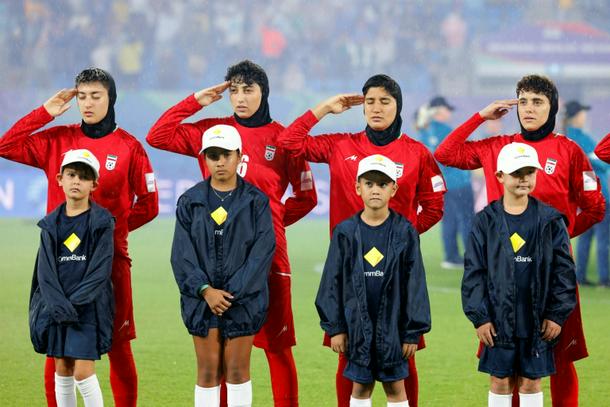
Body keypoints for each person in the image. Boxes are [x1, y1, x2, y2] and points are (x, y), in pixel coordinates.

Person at [147, 60, 316, 407]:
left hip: (268, 258)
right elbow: (157, 136)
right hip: (216, 258)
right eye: (234, 90)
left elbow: (307, 197)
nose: (240, 98)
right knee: (222, 349)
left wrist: (266, 226)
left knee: (277, 348)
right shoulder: (212, 133)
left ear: (263, 92)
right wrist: (196, 101)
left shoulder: (283, 139)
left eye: (248, 90)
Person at [434, 74, 605, 407]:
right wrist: (480, 117)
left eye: (537, 102)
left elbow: (595, 207)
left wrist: (557, 240)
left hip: (553, 274)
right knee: (506, 364)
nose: (528, 108)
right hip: (502, 273)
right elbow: (445, 153)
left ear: (552, 107)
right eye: (523, 101)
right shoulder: (497, 147)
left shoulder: (569, 150)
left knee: (561, 357)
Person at [279, 74, 445, 407]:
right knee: (348, 357)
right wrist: (324, 109)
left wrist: (400, 241)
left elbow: (435, 205)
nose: (376, 108)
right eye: (370, 101)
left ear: (398, 106)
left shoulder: (416, 153)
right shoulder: (340, 145)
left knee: (404, 358)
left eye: (385, 101)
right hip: (348, 270)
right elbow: (288, 143)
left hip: (396, 273)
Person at [0, 68, 159, 407]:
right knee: (56, 344)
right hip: (59, 263)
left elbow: (149, 205)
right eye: (82, 96)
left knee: (118, 345)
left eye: (95, 96)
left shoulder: (129, 147)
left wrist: (107, 235)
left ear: (110, 99)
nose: (87, 103)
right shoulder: (57, 140)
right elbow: (6, 146)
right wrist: (44, 113)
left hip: (111, 262)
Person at [463, 142, 577, 407]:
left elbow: (564, 273)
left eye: (529, 172)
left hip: (538, 319)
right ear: (500, 176)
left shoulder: (551, 220)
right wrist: (480, 317)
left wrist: (556, 314)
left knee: (531, 382)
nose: (524, 178)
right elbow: (474, 273)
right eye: (516, 173)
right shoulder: (485, 220)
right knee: (499, 381)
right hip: (497, 319)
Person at [170, 124, 275, 407]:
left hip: (243, 300)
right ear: (204, 158)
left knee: (238, 371)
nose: (220, 162)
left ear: (239, 155)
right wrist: (206, 290)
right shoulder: (190, 201)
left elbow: (262, 253)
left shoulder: (256, 201)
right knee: (207, 371)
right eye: (213, 155)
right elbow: (181, 255)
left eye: (226, 154)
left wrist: (230, 295)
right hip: (201, 300)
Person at [316, 154, 431, 407]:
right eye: (369, 184)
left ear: (394, 189)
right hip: (356, 327)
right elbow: (331, 282)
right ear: (358, 188)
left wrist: (412, 333)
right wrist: (335, 328)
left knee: (395, 386)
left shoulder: (405, 232)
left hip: (394, 327)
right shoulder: (345, 232)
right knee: (360, 387)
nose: (375, 190)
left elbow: (415, 284)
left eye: (382, 184)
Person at [30, 149, 115, 407]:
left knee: (83, 372)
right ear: (60, 179)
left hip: (87, 309)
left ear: (94, 184)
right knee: (63, 369)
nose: (77, 181)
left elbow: (100, 272)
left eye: (84, 177)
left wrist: (73, 304)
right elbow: (45, 273)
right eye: (71, 174)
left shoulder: (102, 222)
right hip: (57, 309)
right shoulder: (50, 224)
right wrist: (58, 305)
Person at [417, 96, 473, 269]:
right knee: (467, 219)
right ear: (439, 110)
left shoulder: (424, 133)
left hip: (441, 185)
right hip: (459, 182)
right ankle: (472, 257)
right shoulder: (448, 131)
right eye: (447, 109)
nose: (449, 113)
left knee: (448, 220)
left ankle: (451, 257)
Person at [563, 100, 610, 287]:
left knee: (586, 236)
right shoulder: (579, 138)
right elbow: (600, 163)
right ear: (575, 116)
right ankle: (604, 278)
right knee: (603, 237)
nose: (585, 116)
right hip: (598, 193)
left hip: (585, 195)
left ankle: (580, 275)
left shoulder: (567, 137)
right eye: (582, 113)